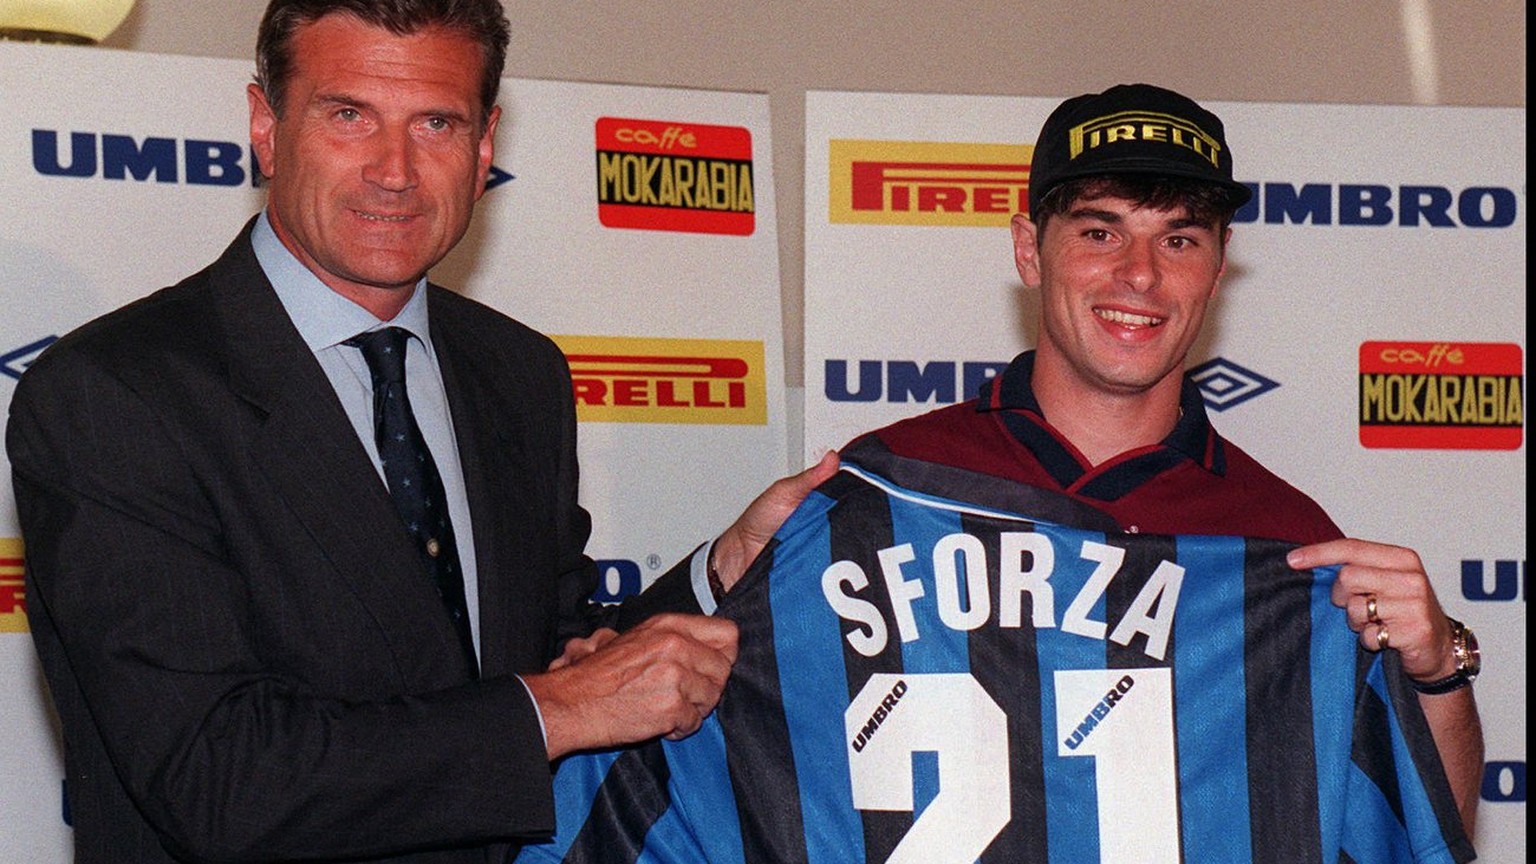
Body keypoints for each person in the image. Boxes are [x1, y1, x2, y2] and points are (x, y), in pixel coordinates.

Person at [5, 1, 832, 861]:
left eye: (435, 122)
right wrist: (565, 709)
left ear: (484, 149)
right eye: (349, 116)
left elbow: (550, 655)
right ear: (266, 127)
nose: (394, 171)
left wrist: (722, 569)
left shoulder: (518, 374)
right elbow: (217, 777)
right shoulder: (117, 393)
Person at [849, 82, 1484, 832]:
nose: (1141, 274)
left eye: (1179, 240)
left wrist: (1440, 669)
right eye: (1100, 232)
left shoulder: (1282, 541)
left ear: (1217, 271)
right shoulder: (884, 486)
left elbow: (1425, 827)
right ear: (1029, 249)